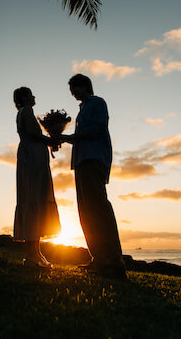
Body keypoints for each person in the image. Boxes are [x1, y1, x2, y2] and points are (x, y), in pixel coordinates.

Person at [61, 74, 126, 280]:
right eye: (71, 89)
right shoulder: (81, 109)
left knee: (98, 208)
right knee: (85, 210)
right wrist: (65, 138)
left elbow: (97, 129)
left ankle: (113, 260)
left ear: (85, 86)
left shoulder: (97, 103)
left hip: (93, 159)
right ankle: (97, 257)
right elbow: (81, 137)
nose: (73, 93)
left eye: (75, 88)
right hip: (81, 161)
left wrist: (72, 137)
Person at [13, 86, 61, 267]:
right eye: (31, 95)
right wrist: (51, 140)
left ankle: (36, 253)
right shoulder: (26, 111)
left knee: (37, 200)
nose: (34, 98)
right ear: (25, 98)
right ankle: (31, 255)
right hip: (31, 157)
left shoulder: (27, 112)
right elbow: (33, 134)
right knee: (32, 199)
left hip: (35, 156)